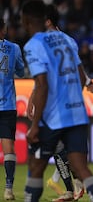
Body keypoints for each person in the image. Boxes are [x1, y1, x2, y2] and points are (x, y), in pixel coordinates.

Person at [21, 0, 93, 201]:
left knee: (36, 166)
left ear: (26, 20)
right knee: (82, 168)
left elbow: (42, 85)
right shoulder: (66, 40)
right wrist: (89, 84)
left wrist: (34, 125)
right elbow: (79, 70)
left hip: (54, 116)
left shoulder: (34, 45)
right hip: (77, 112)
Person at [0, 18, 25, 200]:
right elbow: (21, 72)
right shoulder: (14, 48)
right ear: (3, 29)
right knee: (8, 146)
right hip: (7, 104)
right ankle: (8, 189)